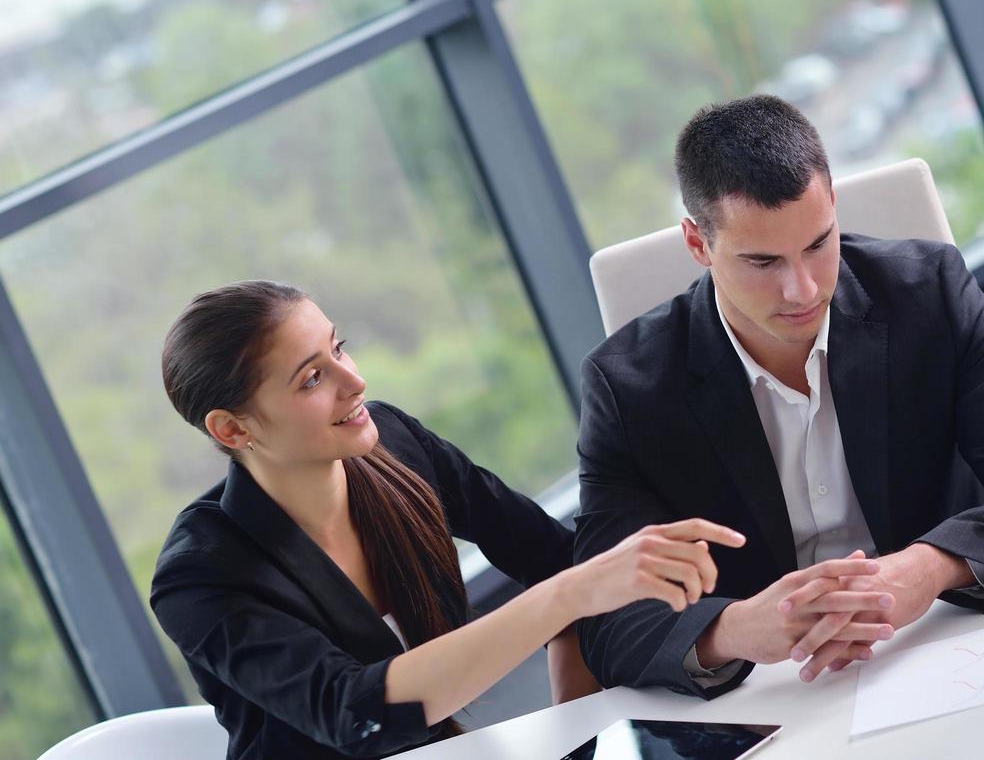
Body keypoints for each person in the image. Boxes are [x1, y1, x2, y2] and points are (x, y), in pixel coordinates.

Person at [574, 94, 984, 698]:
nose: (801, 288)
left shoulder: (928, 289)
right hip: (776, 693)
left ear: (833, 203)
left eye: (818, 244)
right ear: (698, 244)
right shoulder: (626, 387)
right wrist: (737, 628)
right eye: (763, 261)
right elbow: (604, 618)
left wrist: (923, 570)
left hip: (951, 639)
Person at [150, 281, 743, 759]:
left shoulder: (396, 444)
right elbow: (357, 716)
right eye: (311, 377)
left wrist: (572, 733)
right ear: (233, 429)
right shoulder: (200, 576)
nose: (353, 381)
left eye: (338, 348)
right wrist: (571, 596)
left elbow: (554, 560)